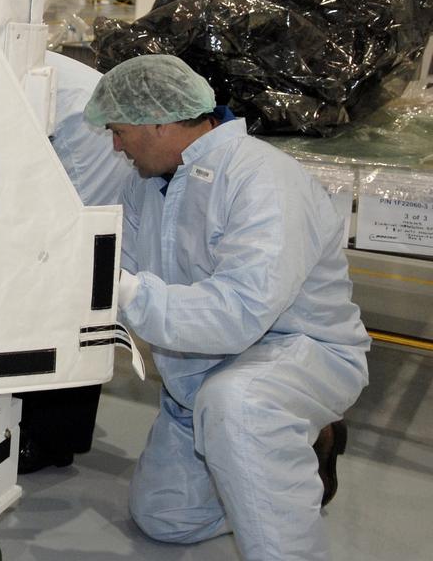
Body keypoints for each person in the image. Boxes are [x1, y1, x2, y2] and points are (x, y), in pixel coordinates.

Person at [84, 54, 368, 560]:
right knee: (163, 518)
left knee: (239, 406)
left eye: (120, 130)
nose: (115, 145)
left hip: (296, 353)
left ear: (158, 121)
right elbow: (117, 269)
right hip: (198, 376)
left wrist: (127, 293)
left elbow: (239, 311)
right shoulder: (146, 185)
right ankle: (277, 467)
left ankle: (286, 479)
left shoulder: (262, 178)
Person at [17, 51, 138, 473]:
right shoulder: (17, 54)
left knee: (73, 289)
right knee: (76, 290)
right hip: (85, 149)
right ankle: (54, 435)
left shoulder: (10, 58)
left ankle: (50, 440)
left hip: (88, 156)